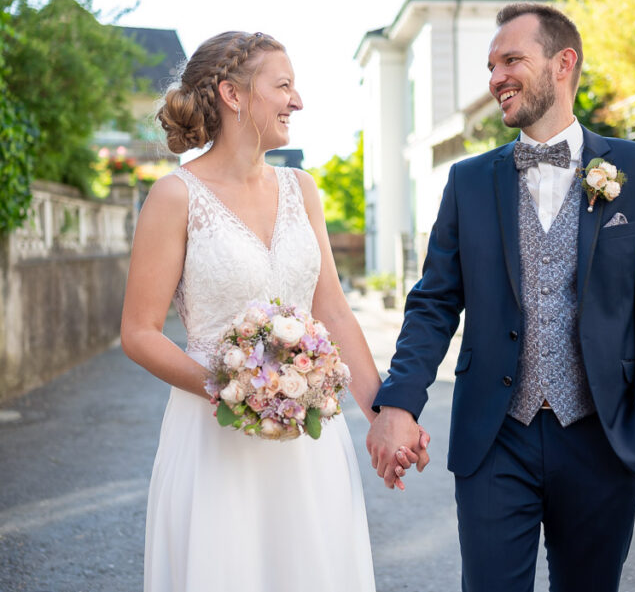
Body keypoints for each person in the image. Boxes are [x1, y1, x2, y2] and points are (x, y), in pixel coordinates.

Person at [366, 3, 635, 591]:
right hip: (495, 438)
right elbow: (434, 303)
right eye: (491, 66)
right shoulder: (468, 181)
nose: (495, 79)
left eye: (511, 59)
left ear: (563, 63)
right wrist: (399, 403)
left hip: (602, 438)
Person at [120, 31, 426, 592]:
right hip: (215, 438)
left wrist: (385, 413)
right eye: (283, 86)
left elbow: (331, 309)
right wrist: (230, 387)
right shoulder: (174, 197)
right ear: (233, 95)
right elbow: (139, 333)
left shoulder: (302, 188)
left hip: (307, 444)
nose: (298, 101)